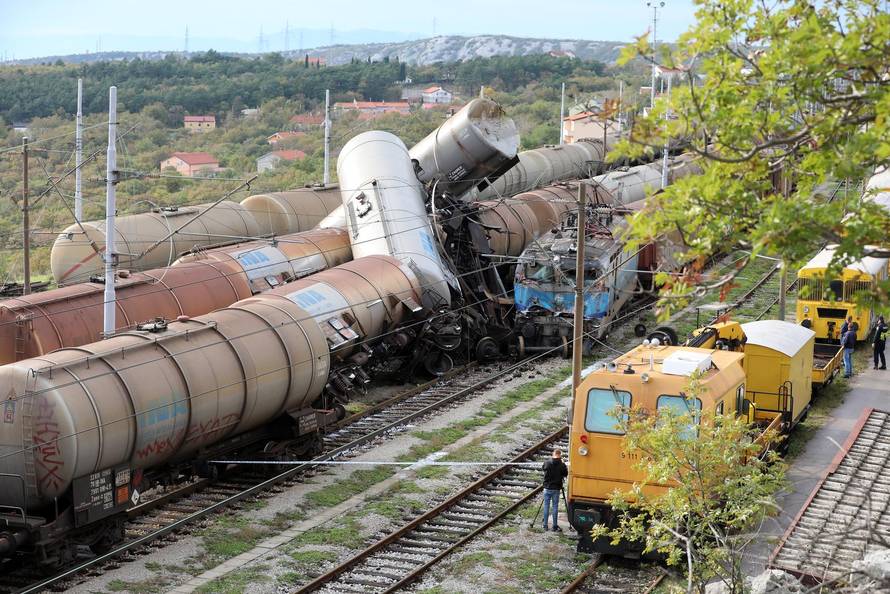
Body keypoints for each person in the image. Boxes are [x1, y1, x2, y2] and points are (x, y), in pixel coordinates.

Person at [541, 448, 568, 532]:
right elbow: (565, 474)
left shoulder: (547, 462)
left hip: (547, 488)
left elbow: (543, 469)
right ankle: (554, 526)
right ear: (560, 455)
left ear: (553, 454)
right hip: (556, 489)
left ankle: (545, 525)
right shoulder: (562, 465)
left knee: (546, 506)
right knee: (555, 507)